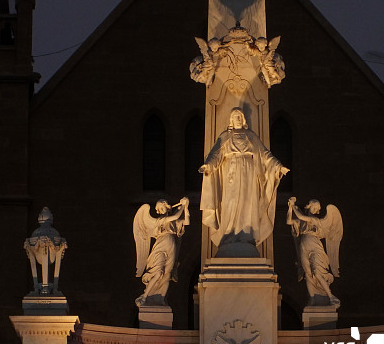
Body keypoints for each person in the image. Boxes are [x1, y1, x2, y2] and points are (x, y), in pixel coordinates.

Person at [199, 108, 289, 249]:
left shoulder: (250, 135)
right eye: (235, 117)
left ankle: (247, 236)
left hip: (249, 171)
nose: (238, 119)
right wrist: (208, 166)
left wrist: (278, 166)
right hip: (231, 171)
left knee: (248, 202)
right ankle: (228, 234)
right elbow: (215, 154)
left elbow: (264, 153)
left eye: (240, 116)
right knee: (231, 202)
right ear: (231, 120)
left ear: (243, 119)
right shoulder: (225, 136)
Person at [133, 198, 189, 305]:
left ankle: (161, 299)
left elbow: (186, 221)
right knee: (158, 272)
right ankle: (144, 297)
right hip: (161, 245)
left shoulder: (174, 222)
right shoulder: (161, 220)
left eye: (161, 207)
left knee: (167, 275)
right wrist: (182, 206)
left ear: (166, 206)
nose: (159, 211)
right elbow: (176, 216)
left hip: (171, 247)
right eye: (158, 209)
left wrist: (186, 207)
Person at [287, 197, 343, 305]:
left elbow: (300, 216)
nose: (315, 210)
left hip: (314, 244)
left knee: (316, 271)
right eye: (314, 207)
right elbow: (289, 220)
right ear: (310, 206)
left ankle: (330, 296)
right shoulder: (301, 221)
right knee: (308, 274)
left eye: (316, 208)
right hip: (303, 245)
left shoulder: (315, 220)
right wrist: (290, 207)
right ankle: (312, 298)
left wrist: (293, 205)